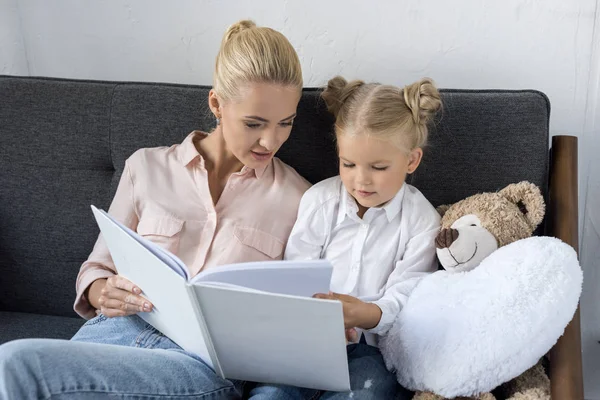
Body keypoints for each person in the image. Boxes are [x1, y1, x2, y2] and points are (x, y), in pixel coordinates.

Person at [0, 20, 310, 400]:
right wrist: (103, 292)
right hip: (110, 337)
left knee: (17, 365)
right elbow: (97, 268)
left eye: (286, 123)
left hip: (195, 366)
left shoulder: (300, 199)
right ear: (216, 104)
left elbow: (299, 315)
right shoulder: (145, 168)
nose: (271, 140)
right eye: (254, 123)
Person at [249, 76, 443, 399]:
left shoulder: (422, 222)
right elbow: (297, 273)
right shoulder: (320, 201)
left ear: (411, 160)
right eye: (348, 164)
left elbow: (406, 297)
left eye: (378, 167)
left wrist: (363, 314)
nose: (360, 180)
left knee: (369, 391)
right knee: (272, 394)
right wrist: (319, 318)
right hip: (305, 341)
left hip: (369, 352)